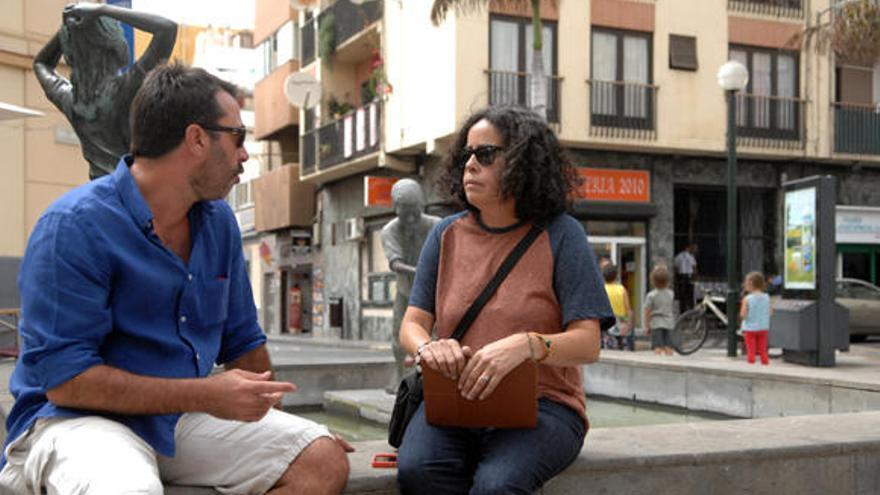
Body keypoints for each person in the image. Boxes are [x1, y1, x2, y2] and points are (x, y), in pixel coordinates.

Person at [0, 64, 351, 495]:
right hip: (71, 420)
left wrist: (287, 426)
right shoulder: (73, 226)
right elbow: (67, 381)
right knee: (129, 490)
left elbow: (243, 344)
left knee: (319, 457)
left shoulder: (218, 221)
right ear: (197, 139)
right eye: (238, 137)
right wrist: (205, 396)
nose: (245, 154)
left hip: (177, 418)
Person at [395, 105, 614, 495]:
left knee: (498, 486)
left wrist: (529, 346)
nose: (471, 165)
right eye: (466, 154)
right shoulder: (444, 235)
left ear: (523, 162)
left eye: (486, 154)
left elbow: (588, 343)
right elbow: (412, 325)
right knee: (418, 471)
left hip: (544, 404)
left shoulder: (563, 235)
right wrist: (429, 348)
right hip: (456, 400)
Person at [33, 3, 176, 179]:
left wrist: (69, 30)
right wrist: (102, 11)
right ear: (114, 46)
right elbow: (167, 29)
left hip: (99, 192)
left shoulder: (71, 100)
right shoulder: (127, 86)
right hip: (133, 190)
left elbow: (41, 63)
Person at [381, 179, 440, 393]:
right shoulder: (390, 230)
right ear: (396, 209)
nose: (412, 218)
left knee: (436, 336)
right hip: (406, 291)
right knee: (399, 334)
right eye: (406, 213)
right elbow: (395, 262)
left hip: (436, 291)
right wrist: (422, 271)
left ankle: (432, 376)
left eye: (415, 211)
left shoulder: (436, 225)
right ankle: (398, 373)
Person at [740, 271, 771, 365]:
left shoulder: (747, 299)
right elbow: (770, 312)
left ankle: (751, 362)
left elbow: (743, 314)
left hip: (750, 328)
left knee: (751, 349)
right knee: (763, 348)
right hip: (763, 327)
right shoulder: (767, 297)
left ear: (750, 284)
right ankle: (765, 362)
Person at [644, 266, 675, 356]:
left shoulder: (651, 295)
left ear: (653, 281)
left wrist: (647, 325)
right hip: (669, 323)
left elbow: (647, 311)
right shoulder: (671, 293)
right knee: (669, 346)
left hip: (656, 323)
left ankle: (658, 361)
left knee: (657, 347)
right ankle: (670, 362)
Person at [603, 264, 634, 351]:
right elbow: (628, 308)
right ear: (616, 276)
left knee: (609, 348)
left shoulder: (603, 289)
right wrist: (629, 324)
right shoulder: (621, 289)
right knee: (623, 348)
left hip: (607, 321)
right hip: (621, 321)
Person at [674, 243, 698, 313]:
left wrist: (676, 276)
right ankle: (690, 310)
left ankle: (683, 311)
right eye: (691, 248)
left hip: (682, 276)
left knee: (683, 295)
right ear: (687, 247)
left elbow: (676, 267)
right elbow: (694, 268)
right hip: (688, 276)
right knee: (690, 295)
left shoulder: (679, 256)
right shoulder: (691, 257)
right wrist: (695, 277)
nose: (693, 250)